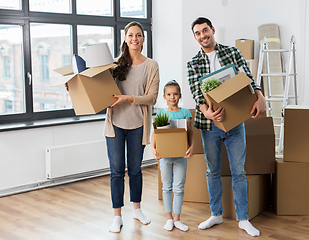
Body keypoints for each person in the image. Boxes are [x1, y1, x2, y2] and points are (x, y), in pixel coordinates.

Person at [186, 17, 266, 237]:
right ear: (195, 37)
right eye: (198, 33)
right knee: (212, 171)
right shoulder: (193, 63)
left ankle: (243, 218)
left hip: (235, 122)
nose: (203, 35)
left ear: (212, 30)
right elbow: (196, 92)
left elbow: (247, 78)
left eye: (205, 30)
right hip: (209, 126)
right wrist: (206, 112)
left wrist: (260, 96)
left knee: (238, 171)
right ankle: (216, 214)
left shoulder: (232, 53)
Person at [103, 21, 160, 233]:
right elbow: (97, 89)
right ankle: (117, 215)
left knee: (135, 170)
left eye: (138, 35)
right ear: (125, 39)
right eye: (130, 35)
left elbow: (152, 98)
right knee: (117, 171)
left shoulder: (151, 65)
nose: (134, 39)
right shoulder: (114, 65)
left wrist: (128, 98)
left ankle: (137, 209)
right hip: (115, 125)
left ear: (143, 39)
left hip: (137, 125)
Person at [151, 80, 194, 232]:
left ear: (180, 96)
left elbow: (189, 133)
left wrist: (191, 146)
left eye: (175, 94)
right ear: (164, 96)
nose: (172, 97)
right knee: (167, 187)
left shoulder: (185, 113)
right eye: (169, 94)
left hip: (181, 155)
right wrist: (153, 148)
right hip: (165, 157)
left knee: (179, 187)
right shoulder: (162, 113)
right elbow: (155, 133)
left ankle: (177, 219)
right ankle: (169, 218)